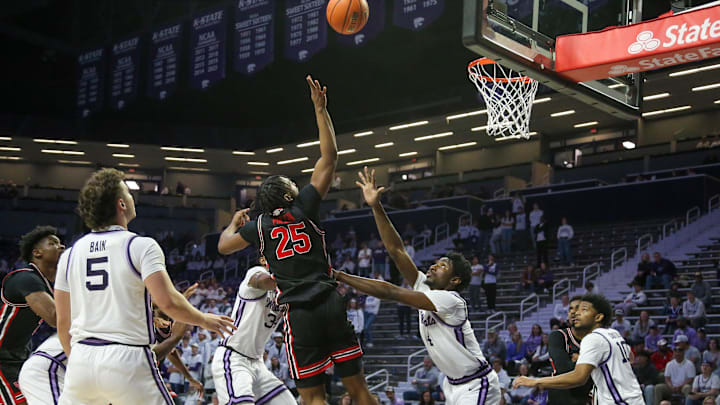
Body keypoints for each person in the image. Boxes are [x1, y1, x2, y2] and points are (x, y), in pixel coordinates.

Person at [217, 77, 375, 405]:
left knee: (314, 398)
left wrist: (233, 224)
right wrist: (321, 111)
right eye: (292, 182)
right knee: (359, 391)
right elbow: (329, 157)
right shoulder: (304, 205)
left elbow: (223, 246)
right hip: (330, 302)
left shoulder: (258, 226)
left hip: (299, 314)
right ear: (289, 193)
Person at [55, 169, 236, 404]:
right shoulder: (140, 246)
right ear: (121, 204)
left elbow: (63, 322)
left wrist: (81, 359)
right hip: (126, 358)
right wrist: (203, 320)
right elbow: (168, 302)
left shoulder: (69, 255)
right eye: (129, 193)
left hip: (80, 359)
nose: (132, 198)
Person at [335, 166, 502, 404]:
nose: (434, 266)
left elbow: (391, 291)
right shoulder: (426, 288)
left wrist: (341, 276)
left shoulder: (451, 300)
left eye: (442, 266)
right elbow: (396, 250)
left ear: (454, 281)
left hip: (476, 383)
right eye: (436, 262)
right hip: (453, 384)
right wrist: (375, 206)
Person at [513, 294, 644, 405]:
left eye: (583, 310)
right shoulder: (613, 333)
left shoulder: (593, 339)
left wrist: (535, 381)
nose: (575, 313)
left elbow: (577, 377)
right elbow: (630, 357)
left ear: (598, 317)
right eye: (573, 309)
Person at [210, 262, 296, 405]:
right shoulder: (257, 272)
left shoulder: (286, 293)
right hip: (233, 357)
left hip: (257, 363)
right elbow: (261, 281)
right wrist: (297, 283)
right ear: (264, 258)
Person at [0, 226, 64, 405]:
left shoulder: (46, 287)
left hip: (14, 359)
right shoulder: (26, 278)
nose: (61, 247)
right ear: (37, 253)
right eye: (53, 243)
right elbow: (55, 317)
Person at [547, 295, 594, 405]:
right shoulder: (558, 336)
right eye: (571, 309)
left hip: (588, 394)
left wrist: (578, 359)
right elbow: (564, 370)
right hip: (563, 395)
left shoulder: (597, 338)